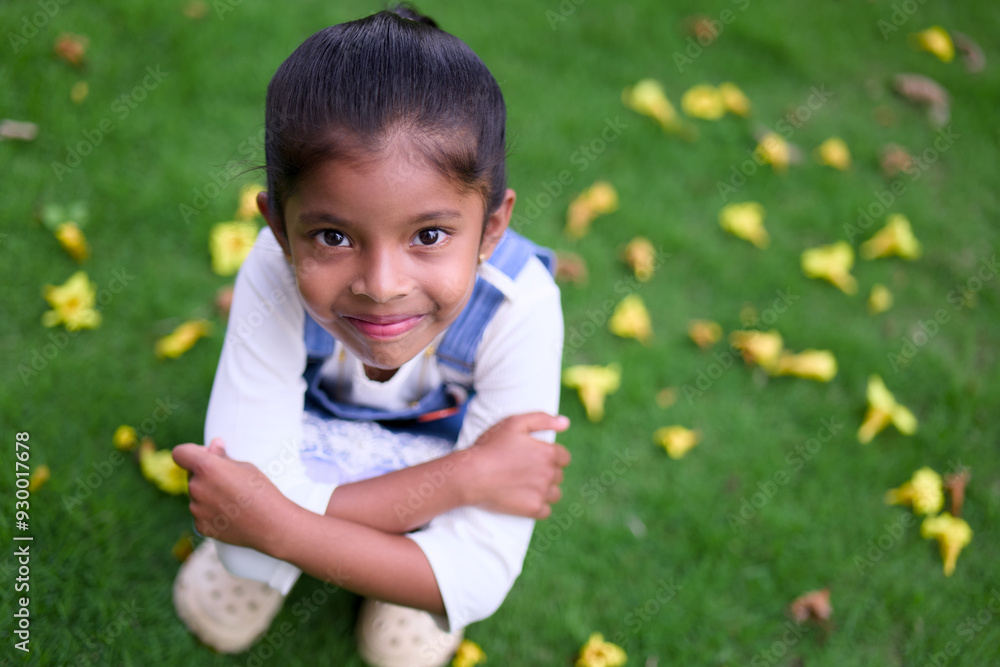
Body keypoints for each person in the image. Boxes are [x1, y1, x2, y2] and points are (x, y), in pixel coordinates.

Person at [170, 6, 570, 666]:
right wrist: (467, 478)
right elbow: (239, 534)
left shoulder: (521, 305)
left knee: (276, 547)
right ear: (278, 226)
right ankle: (394, 558)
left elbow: (478, 580)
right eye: (333, 236)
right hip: (359, 448)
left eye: (430, 235)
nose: (382, 285)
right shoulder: (271, 273)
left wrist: (269, 519)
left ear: (492, 229)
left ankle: (392, 578)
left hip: (395, 455)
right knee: (243, 559)